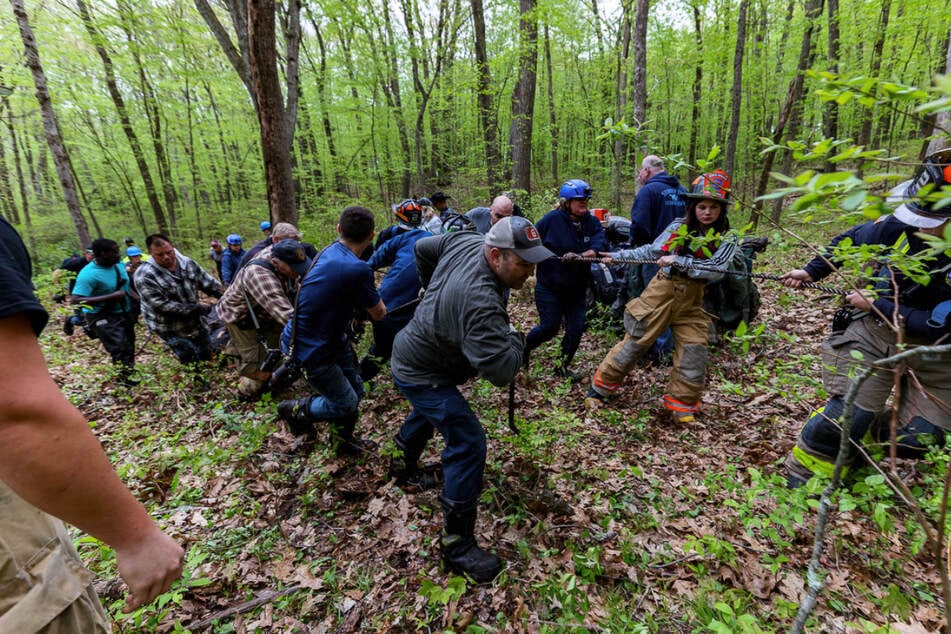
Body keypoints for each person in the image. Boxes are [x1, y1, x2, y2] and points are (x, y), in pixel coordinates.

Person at [0, 217, 183, 630]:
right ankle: (124, 380)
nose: (118, 258)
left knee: (128, 353)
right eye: (112, 255)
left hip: (123, 315)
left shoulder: (120, 268)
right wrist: (135, 537)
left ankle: (129, 377)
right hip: (104, 319)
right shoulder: (87, 273)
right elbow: (13, 408)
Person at [389, 216, 553, 583]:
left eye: (534, 263)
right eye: (524, 265)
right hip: (421, 370)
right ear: (495, 256)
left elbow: (422, 248)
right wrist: (516, 337)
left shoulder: (465, 240)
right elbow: (501, 372)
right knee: (468, 440)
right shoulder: (479, 304)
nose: (531, 274)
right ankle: (456, 545)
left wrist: (430, 288)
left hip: (421, 358)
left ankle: (401, 464)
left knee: (433, 409)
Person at [782, 148, 951, 487]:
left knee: (922, 438)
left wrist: (878, 304)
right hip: (876, 334)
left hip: (938, 348)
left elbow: (942, 324)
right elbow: (852, 240)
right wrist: (811, 271)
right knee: (847, 417)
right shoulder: (895, 225)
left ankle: (864, 444)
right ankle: (806, 476)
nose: (923, 230)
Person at [585, 170, 739, 425]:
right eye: (702, 206)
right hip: (662, 292)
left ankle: (682, 407)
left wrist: (679, 260)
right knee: (635, 341)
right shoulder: (679, 227)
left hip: (693, 300)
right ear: (693, 206)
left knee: (694, 350)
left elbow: (716, 269)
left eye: (714, 207)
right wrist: (618, 257)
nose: (707, 212)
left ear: (722, 209)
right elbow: (652, 250)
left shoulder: (729, 238)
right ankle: (599, 389)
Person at [277, 206, 386, 455]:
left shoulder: (330, 251)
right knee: (346, 403)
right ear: (372, 235)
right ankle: (294, 409)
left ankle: (342, 443)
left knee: (356, 391)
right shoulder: (356, 268)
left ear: (339, 230)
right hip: (311, 350)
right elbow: (379, 313)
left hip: (332, 340)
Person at [526, 179, 607, 381]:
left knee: (576, 329)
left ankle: (561, 367)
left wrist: (585, 254)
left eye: (586, 200)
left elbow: (599, 243)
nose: (584, 204)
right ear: (566, 202)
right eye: (579, 200)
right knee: (550, 327)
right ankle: (522, 349)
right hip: (550, 286)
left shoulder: (592, 222)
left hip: (577, 288)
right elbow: (530, 241)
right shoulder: (550, 221)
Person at [217, 240, 310, 398]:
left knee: (281, 349)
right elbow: (288, 318)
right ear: (275, 263)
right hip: (242, 317)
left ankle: (278, 381)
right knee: (259, 365)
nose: (298, 272)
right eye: (294, 269)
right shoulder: (260, 275)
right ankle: (246, 393)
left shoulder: (282, 253)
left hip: (264, 312)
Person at [359, 203, 432, 382]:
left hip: (386, 309)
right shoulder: (435, 240)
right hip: (418, 311)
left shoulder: (396, 240)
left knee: (382, 350)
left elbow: (367, 267)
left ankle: (358, 382)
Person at [135, 234, 223, 376]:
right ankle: (199, 382)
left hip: (195, 321)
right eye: (160, 255)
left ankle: (211, 374)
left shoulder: (187, 263)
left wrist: (229, 295)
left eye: (169, 252)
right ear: (151, 254)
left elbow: (210, 285)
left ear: (173, 248)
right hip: (168, 326)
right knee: (188, 354)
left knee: (205, 348)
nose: (166, 257)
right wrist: (198, 309)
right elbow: (163, 307)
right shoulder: (145, 276)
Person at [627, 155, 688, 360]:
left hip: (655, 257)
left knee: (654, 303)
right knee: (676, 303)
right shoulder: (682, 191)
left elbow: (639, 225)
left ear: (646, 171)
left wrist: (636, 243)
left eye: (640, 173)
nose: (639, 176)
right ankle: (673, 347)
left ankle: (660, 351)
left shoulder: (648, 191)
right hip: (682, 258)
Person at [71, 238, 138, 385]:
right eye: (113, 252)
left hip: (124, 311)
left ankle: (129, 373)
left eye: (117, 251)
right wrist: (111, 296)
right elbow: (76, 300)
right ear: (101, 254)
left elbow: (125, 286)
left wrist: (138, 298)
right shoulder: (88, 274)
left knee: (129, 343)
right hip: (101, 314)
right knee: (118, 347)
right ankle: (124, 381)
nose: (118, 255)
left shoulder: (118, 264)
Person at [240, 221, 305, 268]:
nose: (294, 246)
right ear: (276, 239)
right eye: (290, 243)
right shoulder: (258, 253)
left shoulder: (275, 245)